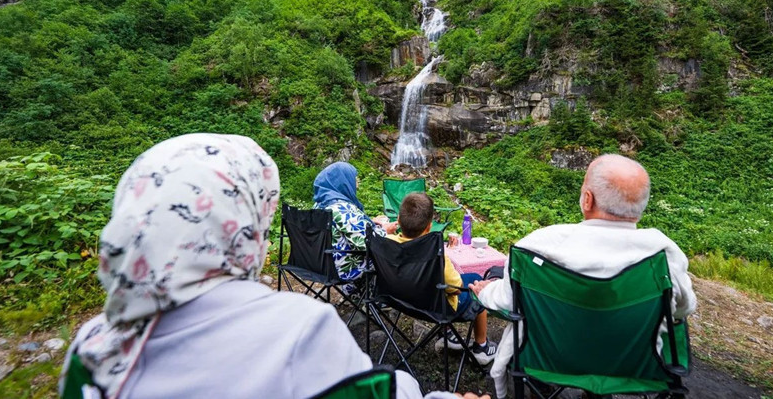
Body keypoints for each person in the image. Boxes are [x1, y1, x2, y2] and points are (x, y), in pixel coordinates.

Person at [58, 134, 422, 399]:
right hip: (353, 274)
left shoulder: (90, 349)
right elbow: (384, 392)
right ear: (243, 221)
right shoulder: (300, 329)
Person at [469, 154, 698, 399]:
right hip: (631, 365)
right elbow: (683, 309)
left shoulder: (538, 246)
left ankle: (542, 388)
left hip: (549, 359)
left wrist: (485, 291)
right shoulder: (664, 254)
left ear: (587, 200)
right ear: (641, 206)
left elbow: (506, 300)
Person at [388, 193, 498, 366]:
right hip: (436, 308)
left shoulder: (387, 243)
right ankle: (481, 346)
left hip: (400, 299)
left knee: (435, 286)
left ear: (399, 220)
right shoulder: (436, 255)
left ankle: (447, 334)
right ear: (429, 227)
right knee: (476, 280)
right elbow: (455, 287)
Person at [313, 162, 397, 293]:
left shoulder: (320, 205)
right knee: (392, 254)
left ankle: (356, 291)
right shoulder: (343, 209)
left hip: (320, 264)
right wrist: (386, 229)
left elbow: (342, 230)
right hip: (344, 268)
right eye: (354, 179)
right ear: (342, 181)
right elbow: (366, 243)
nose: (357, 184)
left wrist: (370, 222)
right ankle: (380, 299)